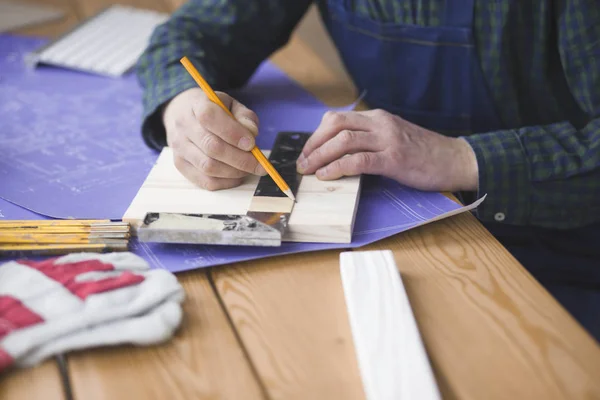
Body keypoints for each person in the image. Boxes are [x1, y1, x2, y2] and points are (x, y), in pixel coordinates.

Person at [135, 0, 600, 340]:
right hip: (403, 230)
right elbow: (192, 33)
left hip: (564, 252)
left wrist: (460, 158)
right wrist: (183, 105)